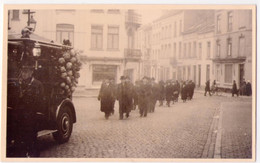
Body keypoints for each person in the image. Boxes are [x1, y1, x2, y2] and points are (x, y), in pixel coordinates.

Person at [16, 63, 44, 157]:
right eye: (22, 72)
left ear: (31, 72)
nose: (23, 74)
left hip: (32, 115)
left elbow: (40, 100)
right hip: (21, 114)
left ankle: (34, 155)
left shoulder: (37, 84)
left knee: (32, 136)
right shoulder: (19, 83)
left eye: (26, 72)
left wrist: (32, 112)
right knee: (21, 135)